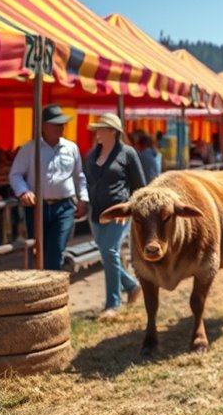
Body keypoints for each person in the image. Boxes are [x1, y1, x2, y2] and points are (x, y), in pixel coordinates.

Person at [8, 104, 89, 271]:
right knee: (38, 252)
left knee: (55, 251)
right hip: (37, 208)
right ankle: (46, 287)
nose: (61, 127)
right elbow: (15, 174)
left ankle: (52, 290)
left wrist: (83, 199)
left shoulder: (71, 148)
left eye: (62, 124)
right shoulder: (29, 148)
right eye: (56, 124)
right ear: (43, 126)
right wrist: (23, 191)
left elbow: (79, 176)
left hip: (65, 207)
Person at [84, 113, 146, 317]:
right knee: (106, 255)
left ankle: (113, 303)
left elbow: (140, 187)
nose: (96, 132)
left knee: (109, 252)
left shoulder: (127, 153)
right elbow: (88, 182)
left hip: (118, 213)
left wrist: (127, 207)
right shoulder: (92, 155)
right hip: (96, 214)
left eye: (100, 128)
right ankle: (131, 286)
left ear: (112, 131)